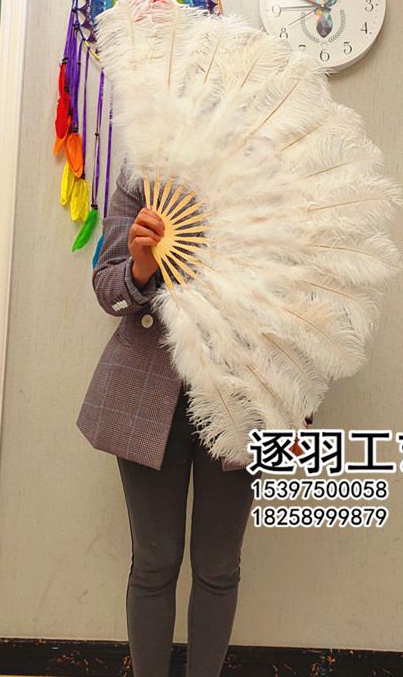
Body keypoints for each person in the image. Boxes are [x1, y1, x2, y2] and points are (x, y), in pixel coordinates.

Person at [76, 166, 263, 677]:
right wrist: (140, 269)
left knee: (218, 565)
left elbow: (308, 296)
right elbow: (107, 288)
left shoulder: (274, 175)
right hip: (147, 394)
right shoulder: (144, 173)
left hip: (239, 395)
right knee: (154, 561)